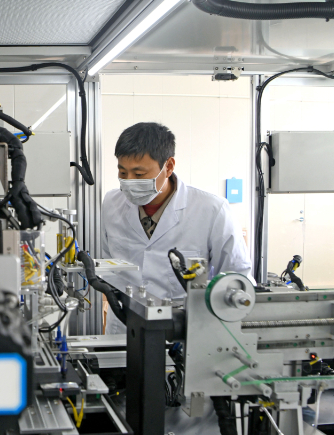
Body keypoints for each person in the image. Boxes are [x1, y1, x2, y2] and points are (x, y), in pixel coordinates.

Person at [101, 122, 251, 335]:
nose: (129, 181)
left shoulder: (211, 210)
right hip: (125, 328)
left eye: (139, 174)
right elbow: (108, 266)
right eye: (122, 172)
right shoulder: (111, 203)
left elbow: (236, 277)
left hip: (184, 330)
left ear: (169, 166)